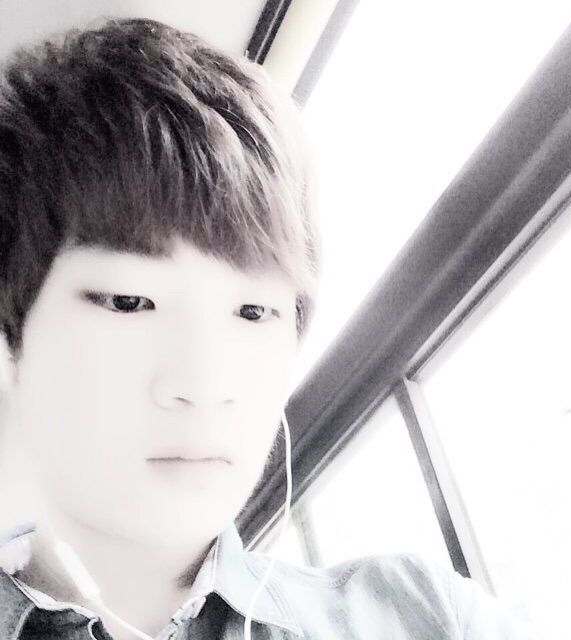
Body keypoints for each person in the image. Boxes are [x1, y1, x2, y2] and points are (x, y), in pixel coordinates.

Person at [0, 17, 534, 640]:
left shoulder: (422, 616)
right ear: (13, 341)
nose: (205, 384)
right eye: (129, 301)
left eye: (254, 312)